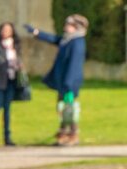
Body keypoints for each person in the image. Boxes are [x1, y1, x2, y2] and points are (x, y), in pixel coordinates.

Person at [24, 14, 88, 146]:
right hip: (63, 82)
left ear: (76, 27)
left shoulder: (77, 42)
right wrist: (36, 32)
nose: (65, 27)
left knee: (69, 109)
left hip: (69, 83)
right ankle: (63, 133)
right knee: (62, 107)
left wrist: (69, 84)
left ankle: (72, 134)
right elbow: (53, 39)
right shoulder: (68, 40)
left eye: (68, 25)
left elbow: (74, 65)